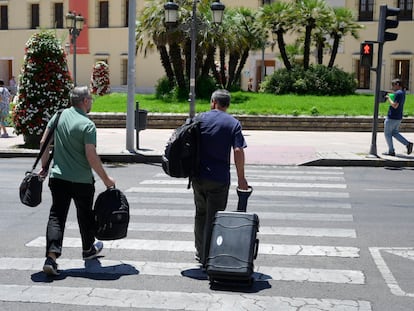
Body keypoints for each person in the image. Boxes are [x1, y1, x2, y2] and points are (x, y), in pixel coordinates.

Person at [39, 86, 115, 276]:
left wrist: (45, 167)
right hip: (82, 180)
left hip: (58, 178)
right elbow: (91, 155)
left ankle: (51, 257)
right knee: (85, 215)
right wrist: (106, 179)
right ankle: (88, 249)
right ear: (85, 101)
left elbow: (43, 143)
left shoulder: (58, 116)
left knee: (57, 216)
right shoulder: (87, 124)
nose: (91, 102)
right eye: (91, 99)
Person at [192, 89, 249, 266]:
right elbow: (238, 150)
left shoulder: (199, 119)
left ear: (213, 102)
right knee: (214, 218)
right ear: (228, 105)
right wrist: (241, 178)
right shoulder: (233, 123)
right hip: (219, 179)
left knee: (200, 214)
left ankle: (200, 252)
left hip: (198, 177)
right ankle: (209, 256)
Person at [383, 78, 413, 156]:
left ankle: (391, 151)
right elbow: (396, 96)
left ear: (397, 85)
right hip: (398, 116)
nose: (392, 87)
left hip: (392, 116)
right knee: (395, 133)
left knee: (387, 134)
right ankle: (408, 144)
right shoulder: (402, 92)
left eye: (393, 85)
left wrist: (388, 98)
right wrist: (391, 93)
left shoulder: (398, 93)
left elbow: (395, 105)